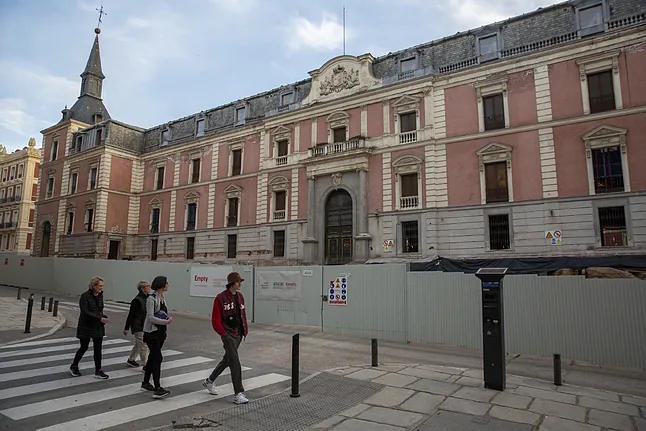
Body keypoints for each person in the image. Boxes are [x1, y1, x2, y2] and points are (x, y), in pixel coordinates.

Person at [202, 271, 249, 404]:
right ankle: (238, 393)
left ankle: (209, 381)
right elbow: (215, 320)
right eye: (239, 281)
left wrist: (244, 331)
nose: (240, 284)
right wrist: (224, 334)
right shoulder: (220, 298)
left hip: (238, 334)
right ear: (232, 283)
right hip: (228, 335)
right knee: (235, 362)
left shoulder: (240, 297)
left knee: (227, 360)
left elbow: (242, 315)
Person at [70, 276, 109, 379]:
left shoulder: (100, 295)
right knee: (84, 347)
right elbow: (85, 311)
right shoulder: (84, 296)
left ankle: (98, 370)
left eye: (102, 286)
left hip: (97, 326)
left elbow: (98, 309)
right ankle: (74, 365)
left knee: (98, 349)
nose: (101, 288)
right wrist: (99, 318)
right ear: (93, 286)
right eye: (100, 286)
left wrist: (102, 316)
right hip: (86, 325)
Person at [142, 275, 172, 399]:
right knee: (157, 358)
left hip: (159, 333)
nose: (168, 284)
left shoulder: (161, 298)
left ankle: (145, 382)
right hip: (151, 333)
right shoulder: (151, 299)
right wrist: (166, 322)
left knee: (152, 357)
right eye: (166, 282)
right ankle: (158, 387)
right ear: (161, 285)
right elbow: (150, 317)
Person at [123, 281, 150, 368]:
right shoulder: (137, 300)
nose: (149, 288)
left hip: (145, 325)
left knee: (139, 344)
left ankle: (131, 360)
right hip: (138, 325)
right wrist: (126, 328)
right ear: (142, 288)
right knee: (143, 345)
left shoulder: (148, 298)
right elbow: (131, 315)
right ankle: (145, 365)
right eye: (147, 286)